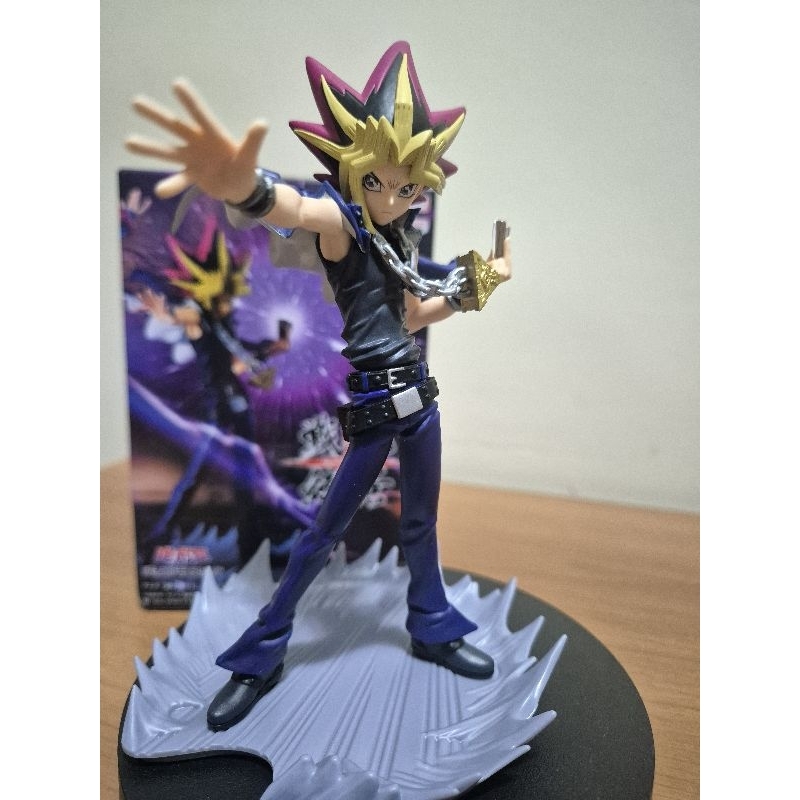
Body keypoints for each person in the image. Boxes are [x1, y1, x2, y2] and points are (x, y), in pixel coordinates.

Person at [126, 40, 512, 732]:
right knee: (321, 533)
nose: (391, 196)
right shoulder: (345, 226)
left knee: (421, 523)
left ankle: (431, 625)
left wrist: (481, 283)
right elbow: (294, 210)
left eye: (407, 186)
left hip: (420, 400)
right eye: (377, 181)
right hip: (376, 404)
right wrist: (240, 185)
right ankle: (261, 654)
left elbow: (413, 315)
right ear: (352, 167)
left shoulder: (399, 244)